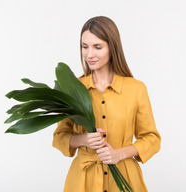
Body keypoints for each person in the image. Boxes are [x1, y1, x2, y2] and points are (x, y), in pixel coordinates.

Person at [52, 16, 161, 192]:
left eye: (97, 47)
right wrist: (83, 139)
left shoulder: (136, 89)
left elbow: (152, 139)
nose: (89, 54)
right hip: (82, 181)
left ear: (112, 47)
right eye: (84, 46)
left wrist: (119, 154)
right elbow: (59, 137)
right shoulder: (72, 89)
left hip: (124, 177)